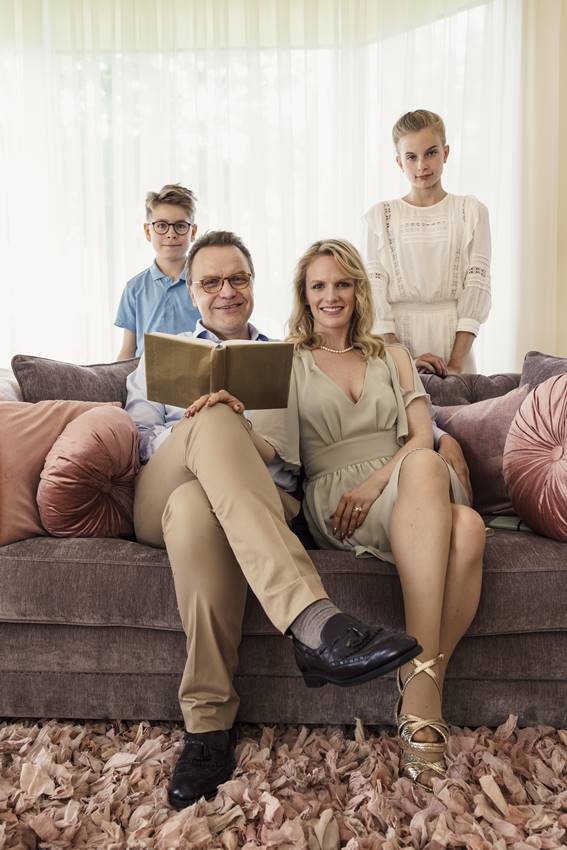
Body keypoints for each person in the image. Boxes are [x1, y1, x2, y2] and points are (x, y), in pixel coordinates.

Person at [125, 230, 420, 809]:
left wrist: (243, 433)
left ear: (254, 284)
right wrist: (204, 428)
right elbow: (139, 438)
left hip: (252, 505)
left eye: (238, 278)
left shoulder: (291, 358)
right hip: (163, 491)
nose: (226, 291)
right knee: (210, 425)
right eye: (211, 281)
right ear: (191, 290)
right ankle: (314, 622)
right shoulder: (160, 356)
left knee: (199, 511)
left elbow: (299, 456)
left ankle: (207, 729)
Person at [229, 239, 485, 788]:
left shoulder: (393, 357)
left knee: (460, 515)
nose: (331, 296)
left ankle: (419, 690)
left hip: (404, 478)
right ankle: (422, 696)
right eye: (319, 285)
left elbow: (421, 436)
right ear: (304, 294)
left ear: (357, 291)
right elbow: (272, 450)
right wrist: (234, 419)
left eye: (342, 284)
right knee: (453, 512)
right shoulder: (286, 361)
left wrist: (376, 483)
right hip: (338, 499)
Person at [363, 109, 491, 375]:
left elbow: (476, 290)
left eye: (431, 153)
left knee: (459, 403)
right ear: (399, 162)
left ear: (445, 152)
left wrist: (455, 365)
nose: (422, 165)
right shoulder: (379, 217)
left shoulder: (472, 212)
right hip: (396, 350)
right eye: (411, 157)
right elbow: (374, 297)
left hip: (457, 345)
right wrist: (405, 364)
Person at [115, 183, 200, 360]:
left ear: (192, 232)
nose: (171, 234)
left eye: (180, 226)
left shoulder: (205, 283)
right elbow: (127, 351)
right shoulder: (134, 288)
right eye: (161, 226)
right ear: (148, 231)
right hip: (146, 375)